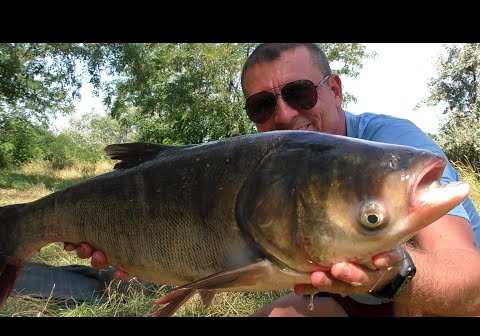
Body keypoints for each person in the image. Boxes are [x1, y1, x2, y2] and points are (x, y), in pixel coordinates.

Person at [65, 43, 480, 317]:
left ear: (334, 89)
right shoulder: (266, 166)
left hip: (439, 299)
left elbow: (470, 281)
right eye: (262, 106)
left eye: (300, 93)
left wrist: (396, 275)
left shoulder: (390, 147)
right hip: (357, 298)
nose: (283, 115)